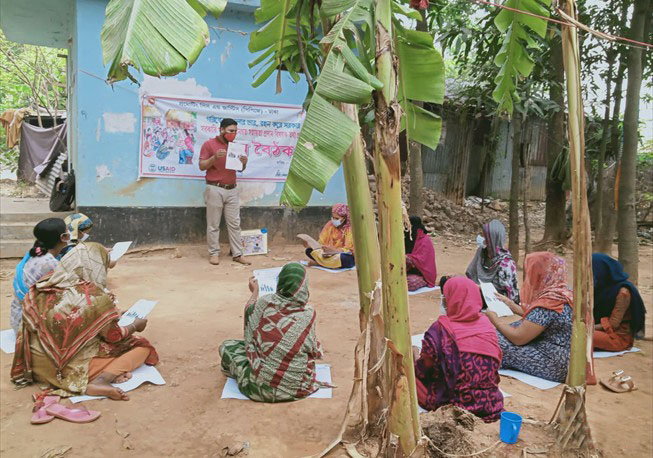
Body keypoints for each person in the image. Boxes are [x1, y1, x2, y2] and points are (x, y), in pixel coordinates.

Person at [11, 243, 159, 400]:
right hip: (66, 372)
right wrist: (135, 325)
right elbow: (114, 336)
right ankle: (101, 380)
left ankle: (106, 373)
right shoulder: (94, 297)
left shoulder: (43, 285)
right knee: (142, 347)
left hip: (37, 367)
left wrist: (111, 315)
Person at [219, 262, 324, 402]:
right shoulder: (308, 313)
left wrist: (255, 291)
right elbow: (314, 350)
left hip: (261, 389)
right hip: (300, 387)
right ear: (304, 287)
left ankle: (245, 374)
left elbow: (249, 311)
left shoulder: (264, 303)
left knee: (227, 347)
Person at [414, 276, 503, 422]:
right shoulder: (487, 325)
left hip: (455, 404)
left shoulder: (440, 330)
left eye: (445, 297)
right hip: (490, 402)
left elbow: (423, 370)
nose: (443, 301)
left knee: (408, 375)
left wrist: (415, 355)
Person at [487, 252, 573, 383]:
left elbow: (519, 338)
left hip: (552, 363)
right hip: (566, 358)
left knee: (492, 339)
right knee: (511, 327)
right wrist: (511, 305)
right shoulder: (563, 293)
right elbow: (538, 319)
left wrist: (494, 320)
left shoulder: (549, 302)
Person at [199, 118, 250, 266]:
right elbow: (202, 166)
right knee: (213, 224)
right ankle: (214, 253)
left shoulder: (235, 147)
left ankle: (237, 254)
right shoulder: (209, 144)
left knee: (234, 223)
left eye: (235, 131)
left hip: (232, 189)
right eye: (231, 131)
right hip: (214, 188)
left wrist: (244, 163)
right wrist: (214, 158)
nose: (233, 134)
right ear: (222, 130)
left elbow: (240, 168)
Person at [10, 218, 69, 334]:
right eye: (68, 231)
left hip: (17, 318)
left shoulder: (36, 253)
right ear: (63, 237)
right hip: (29, 327)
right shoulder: (50, 263)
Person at [592, 253, 646, 352]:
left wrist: (588, 328)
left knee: (580, 337)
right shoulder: (601, 288)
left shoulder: (623, 292)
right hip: (600, 331)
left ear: (603, 271)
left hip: (617, 337)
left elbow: (613, 324)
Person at [466, 220, 520, 304]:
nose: (483, 239)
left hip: (497, 297)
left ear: (493, 238)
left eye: (486, 237)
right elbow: (471, 273)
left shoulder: (506, 262)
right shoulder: (481, 252)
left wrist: (481, 288)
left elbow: (504, 289)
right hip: (477, 290)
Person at [301, 203, 355, 269]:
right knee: (309, 251)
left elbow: (350, 250)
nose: (334, 220)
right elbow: (321, 243)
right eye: (333, 217)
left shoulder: (350, 228)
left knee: (345, 259)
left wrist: (334, 251)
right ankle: (327, 264)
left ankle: (320, 263)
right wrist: (310, 245)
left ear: (344, 218)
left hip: (340, 254)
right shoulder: (330, 224)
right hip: (327, 254)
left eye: (337, 218)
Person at [405, 216, 437, 291]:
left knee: (410, 283)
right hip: (406, 271)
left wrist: (407, 258)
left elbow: (421, 260)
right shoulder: (406, 238)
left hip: (421, 273)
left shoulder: (424, 240)